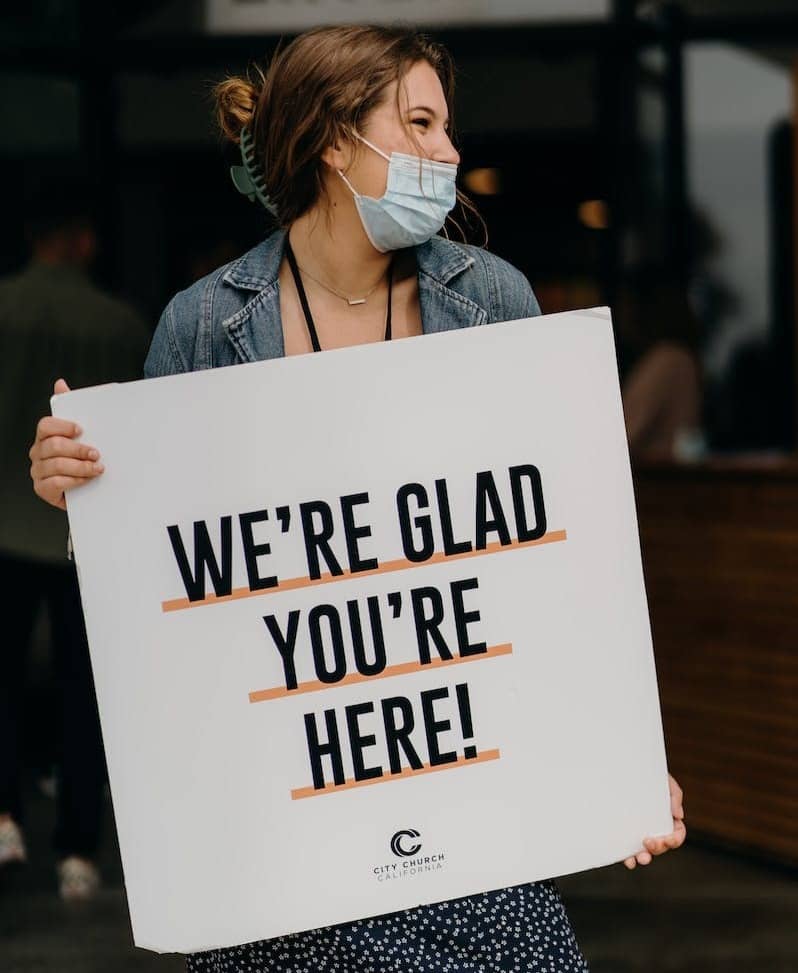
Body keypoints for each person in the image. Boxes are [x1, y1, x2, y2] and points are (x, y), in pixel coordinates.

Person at [28, 25, 686, 970]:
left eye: (446, 127)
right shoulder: (207, 322)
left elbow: (554, 555)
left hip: (469, 823)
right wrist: (83, 493)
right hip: (286, 836)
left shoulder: (489, 296)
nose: (449, 154)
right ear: (336, 140)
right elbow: (168, 597)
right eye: (419, 124)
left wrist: (617, 755)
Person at [0, 188, 149, 899]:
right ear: (83, 240)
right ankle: (79, 852)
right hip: (82, 530)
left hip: (2, 523)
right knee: (83, 692)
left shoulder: (3, 310)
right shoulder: (118, 321)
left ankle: (3, 817)